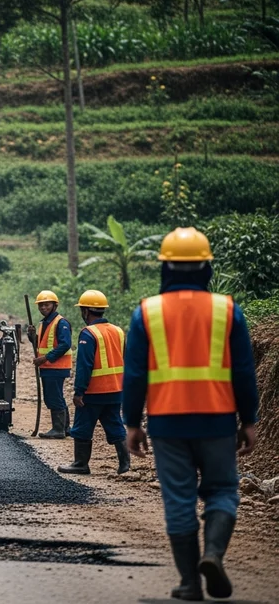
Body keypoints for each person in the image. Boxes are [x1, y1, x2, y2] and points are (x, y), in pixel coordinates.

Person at [124, 228, 258, 602]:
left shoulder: (147, 312)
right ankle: (213, 553)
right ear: (206, 266)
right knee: (223, 491)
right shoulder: (227, 310)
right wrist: (249, 420)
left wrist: (132, 424)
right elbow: (244, 373)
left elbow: (134, 375)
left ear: (165, 267)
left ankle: (189, 583)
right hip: (217, 419)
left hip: (167, 422)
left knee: (179, 499)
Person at [58, 290, 130, 476]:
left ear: (85, 311)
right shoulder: (118, 331)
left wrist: (78, 391)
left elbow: (85, 366)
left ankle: (80, 464)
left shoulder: (88, 334)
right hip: (116, 389)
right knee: (115, 424)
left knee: (82, 427)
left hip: (94, 392)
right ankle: (124, 465)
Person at [26, 290, 72, 439]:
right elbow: (39, 344)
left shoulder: (61, 322)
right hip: (48, 367)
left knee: (53, 397)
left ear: (54, 305)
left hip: (56, 367)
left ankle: (58, 429)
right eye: (41, 306)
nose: (43, 308)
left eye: (46, 305)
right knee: (56, 396)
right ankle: (65, 428)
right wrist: (31, 336)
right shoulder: (43, 323)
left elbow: (65, 344)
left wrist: (45, 358)